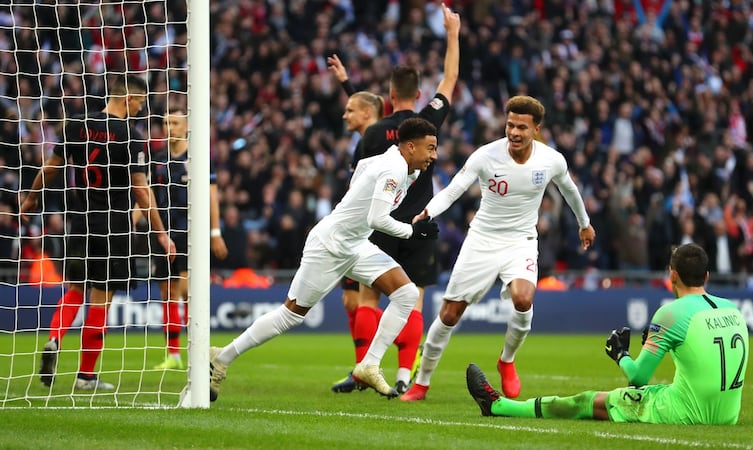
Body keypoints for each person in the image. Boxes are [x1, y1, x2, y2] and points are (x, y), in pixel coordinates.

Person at [208, 118, 440, 401]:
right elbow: (376, 218)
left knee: (405, 293)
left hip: (355, 245)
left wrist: (352, 205)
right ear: (411, 146)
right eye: (430, 148)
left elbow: (361, 175)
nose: (434, 156)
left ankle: (369, 364)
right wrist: (412, 231)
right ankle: (221, 358)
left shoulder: (401, 167)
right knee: (289, 315)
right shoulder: (392, 169)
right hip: (329, 246)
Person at [401, 95, 596, 402]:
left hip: (521, 241)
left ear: (536, 129)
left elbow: (569, 189)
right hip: (482, 240)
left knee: (523, 298)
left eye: (522, 127)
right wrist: (429, 211)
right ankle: (421, 382)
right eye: (510, 125)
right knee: (450, 314)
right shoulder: (486, 156)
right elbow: (455, 187)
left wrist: (584, 222)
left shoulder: (551, 160)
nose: (514, 132)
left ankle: (506, 360)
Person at [466, 243, 750, 425]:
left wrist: (622, 355)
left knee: (590, 401)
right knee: (644, 393)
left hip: (685, 413)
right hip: (727, 415)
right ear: (707, 277)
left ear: (672, 275)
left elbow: (638, 377)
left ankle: (499, 406)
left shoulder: (671, 313)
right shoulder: (733, 309)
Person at [329, 3, 461, 395]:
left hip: (378, 223)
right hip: (418, 223)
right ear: (418, 94)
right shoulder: (427, 124)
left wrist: (348, 84)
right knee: (414, 299)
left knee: (368, 296)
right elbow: (450, 77)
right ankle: (404, 375)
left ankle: (362, 368)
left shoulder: (372, 134)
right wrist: (452, 34)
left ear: (386, 96)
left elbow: (358, 179)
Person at [20, 74, 175, 390]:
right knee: (102, 299)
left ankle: (54, 338)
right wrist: (160, 232)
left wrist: (32, 197)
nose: (140, 109)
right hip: (114, 225)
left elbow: (51, 168)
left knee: (76, 288)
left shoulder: (76, 124)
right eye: (140, 103)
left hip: (81, 219)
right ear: (128, 99)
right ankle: (85, 375)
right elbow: (142, 192)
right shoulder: (129, 135)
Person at [147, 109, 229, 369]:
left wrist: (215, 232)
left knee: (186, 291)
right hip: (163, 234)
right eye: (165, 123)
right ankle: (173, 355)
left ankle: (197, 350)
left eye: (174, 123)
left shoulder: (197, 157)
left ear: (186, 127)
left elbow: (211, 196)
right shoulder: (158, 159)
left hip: (189, 233)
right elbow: (148, 194)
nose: (169, 127)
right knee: (167, 292)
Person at [327, 53, 385, 386]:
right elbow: (370, 106)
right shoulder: (364, 142)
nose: (344, 113)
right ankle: (361, 365)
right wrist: (345, 81)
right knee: (351, 300)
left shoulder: (379, 137)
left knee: (373, 297)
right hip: (354, 225)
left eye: (350, 109)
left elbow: (376, 111)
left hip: (373, 227)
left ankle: (374, 364)